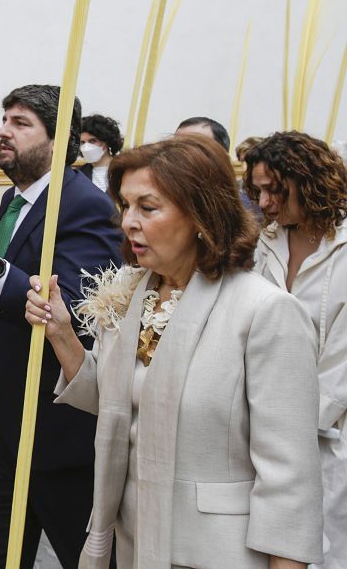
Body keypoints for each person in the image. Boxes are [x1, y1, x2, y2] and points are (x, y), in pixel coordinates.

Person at [27, 135, 323, 568]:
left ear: (201, 213)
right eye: (125, 206)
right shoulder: (136, 297)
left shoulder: (264, 311)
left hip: (217, 551)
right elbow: (117, 402)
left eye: (147, 208)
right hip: (135, 542)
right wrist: (62, 335)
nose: (129, 222)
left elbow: (290, 477)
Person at [0, 84, 122, 569]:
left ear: (58, 138)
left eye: (21, 124)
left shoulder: (84, 205)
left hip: (51, 428)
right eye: (4, 120)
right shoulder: (13, 199)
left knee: (80, 555)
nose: (3, 131)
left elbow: (78, 308)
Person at [244, 131, 347, 569]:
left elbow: (341, 363)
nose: (264, 202)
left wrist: (291, 423)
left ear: (309, 182)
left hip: (330, 433)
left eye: (275, 190)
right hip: (261, 431)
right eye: (259, 190)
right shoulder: (262, 244)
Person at [79, 113, 123, 192]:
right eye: (82, 142)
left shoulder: (123, 170)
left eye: (92, 141)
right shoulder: (79, 175)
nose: (86, 147)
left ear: (107, 141)